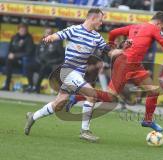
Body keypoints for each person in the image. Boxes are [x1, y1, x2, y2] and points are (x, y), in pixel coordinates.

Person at [66, 11, 163, 141]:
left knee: (154, 91)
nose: (162, 30)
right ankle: (77, 97)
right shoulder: (154, 29)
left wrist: (111, 45)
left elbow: (113, 33)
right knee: (110, 97)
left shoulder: (135, 26)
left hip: (135, 66)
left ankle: (147, 121)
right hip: (124, 64)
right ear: (159, 23)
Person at [24, 8, 122, 138]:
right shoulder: (74, 30)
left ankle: (33, 116)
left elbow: (110, 52)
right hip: (68, 71)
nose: (102, 23)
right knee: (91, 96)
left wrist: (125, 50)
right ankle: (85, 131)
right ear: (92, 18)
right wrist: (50, 38)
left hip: (78, 75)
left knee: (59, 104)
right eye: (100, 19)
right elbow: (57, 35)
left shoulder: (97, 37)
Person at [25, 27, 64, 93]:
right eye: (47, 33)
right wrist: (39, 60)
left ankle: (37, 87)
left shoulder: (57, 44)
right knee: (28, 66)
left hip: (51, 65)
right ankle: (31, 85)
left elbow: (62, 57)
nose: (48, 34)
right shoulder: (41, 42)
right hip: (40, 63)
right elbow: (36, 54)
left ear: (52, 34)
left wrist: (52, 62)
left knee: (44, 68)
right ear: (44, 34)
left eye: (50, 33)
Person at [1, 23, 34, 91]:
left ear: (26, 30)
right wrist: (10, 54)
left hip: (22, 60)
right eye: (21, 29)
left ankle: (29, 86)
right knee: (8, 60)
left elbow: (28, 52)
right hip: (13, 59)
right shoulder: (14, 37)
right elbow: (10, 48)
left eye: (24, 30)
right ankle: (6, 86)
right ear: (18, 30)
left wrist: (15, 55)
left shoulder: (29, 38)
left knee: (9, 61)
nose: (22, 31)